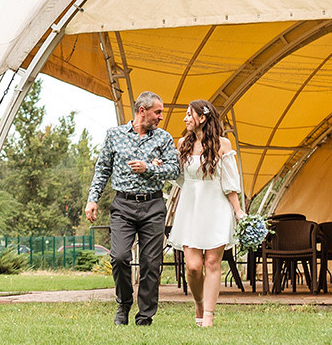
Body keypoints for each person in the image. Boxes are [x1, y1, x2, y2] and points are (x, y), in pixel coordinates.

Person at [84, 91, 180, 326]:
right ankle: (124, 303)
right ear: (142, 111)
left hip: (153, 205)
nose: (160, 117)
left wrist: (149, 168)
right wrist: (92, 199)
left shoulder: (164, 138)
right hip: (123, 206)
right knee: (119, 257)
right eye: (157, 112)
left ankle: (145, 316)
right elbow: (103, 169)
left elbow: (174, 170)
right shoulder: (114, 135)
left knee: (151, 263)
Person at [168, 99, 244, 328]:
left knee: (212, 262)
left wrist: (238, 211)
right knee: (193, 266)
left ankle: (208, 314)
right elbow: (178, 177)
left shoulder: (223, 145)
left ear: (202, 118)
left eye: (189, 114)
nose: (185, 119)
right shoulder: (183, 143)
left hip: (216, 208)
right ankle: (199, 302)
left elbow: (229, 182)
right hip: (190, 208)